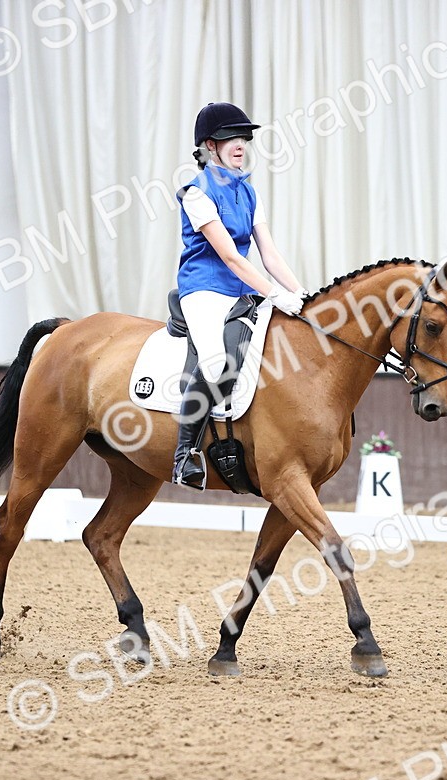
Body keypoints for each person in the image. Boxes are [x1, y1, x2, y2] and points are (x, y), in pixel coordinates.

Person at [171, 101, 306, 489]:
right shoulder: (197, 193)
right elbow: (230, 256)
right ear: (210, 146)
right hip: (204, 288)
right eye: (231, 138)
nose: (241, 145)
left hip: (244, 290)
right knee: (216, 365)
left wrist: (302, 294)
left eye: (244, 138)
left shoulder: (248, 191)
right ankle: (184, 455)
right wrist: (276, 295)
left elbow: (270, 255)